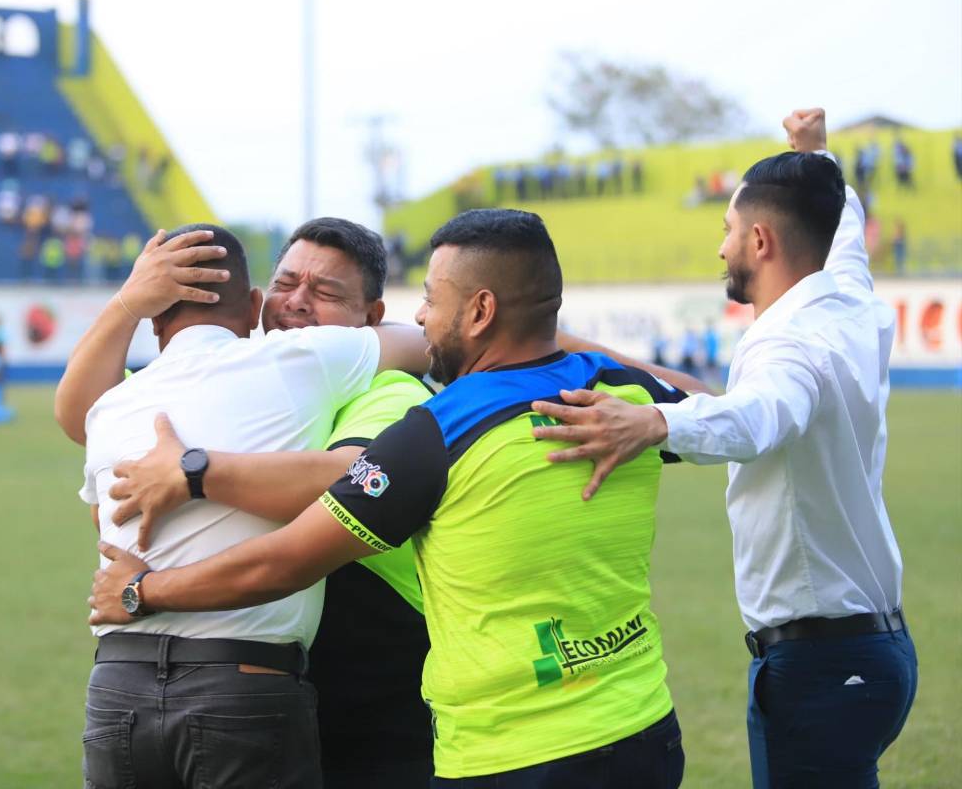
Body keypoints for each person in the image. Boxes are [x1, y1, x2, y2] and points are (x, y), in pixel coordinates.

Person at [89, 209, 703, 788]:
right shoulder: (619, 393)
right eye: (285, 283)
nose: (422, 317)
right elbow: (713, 412)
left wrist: (173, 523)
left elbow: (298, 542)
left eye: (431, 299)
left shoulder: (423, 420)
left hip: (457, 727)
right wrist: (652, 414)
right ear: (257, 302)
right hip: (635, 722)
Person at [530, 109, 916, 788]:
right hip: (871, 651)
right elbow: (843, 228)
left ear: (760, 240)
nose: (721, 248)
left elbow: (758, 416)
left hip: (821, 664)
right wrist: (817, 157)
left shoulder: (789, 345)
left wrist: (654, 424)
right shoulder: (847, 298)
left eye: (728, 230)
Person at [56, 217, 439, 786]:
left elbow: (354, 486)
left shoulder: (384, 385)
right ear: (258, 301)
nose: (298, 302)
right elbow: (79, 415)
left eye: (326, 292)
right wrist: (127, 303)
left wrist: (194, 473)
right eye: (286, 284)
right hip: (258, 683)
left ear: (372, 317)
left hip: (373, 692)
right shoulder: (263, 370)